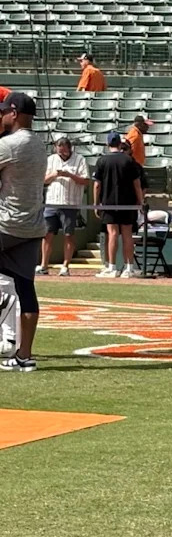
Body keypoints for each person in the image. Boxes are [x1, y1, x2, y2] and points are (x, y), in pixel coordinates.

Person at [0, 93, 46, 373]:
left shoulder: (10, 144)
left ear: (14, 113)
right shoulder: (40, 144)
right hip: (32, 226)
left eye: (4, 112)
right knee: (26, 289)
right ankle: (24, 356)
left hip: (6, 224)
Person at [93, 132, 143, 279]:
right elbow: (137, 183)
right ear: (120, 144)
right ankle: (129, 268)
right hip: (127, 203)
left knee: (112, 234)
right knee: (127, 234)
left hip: (109, 203)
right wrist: (140, 201)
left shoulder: (102, 160)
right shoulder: (129, 160)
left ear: (108, 144)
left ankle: (112, 267)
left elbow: (97, 185)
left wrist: (96, 204)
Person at [39, 137, 90, 277]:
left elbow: (85, 181)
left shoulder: (80, 159)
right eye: (59, 151)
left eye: (64, 151)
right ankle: (44, 265)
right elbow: (43, 180)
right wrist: (54, 174)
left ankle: (65, 266)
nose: (62, 154)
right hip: (51, 202)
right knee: (47, 234)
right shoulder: (51, 159)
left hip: (70, 203)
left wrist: (69, 175)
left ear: (69, 149)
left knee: (69, 235)